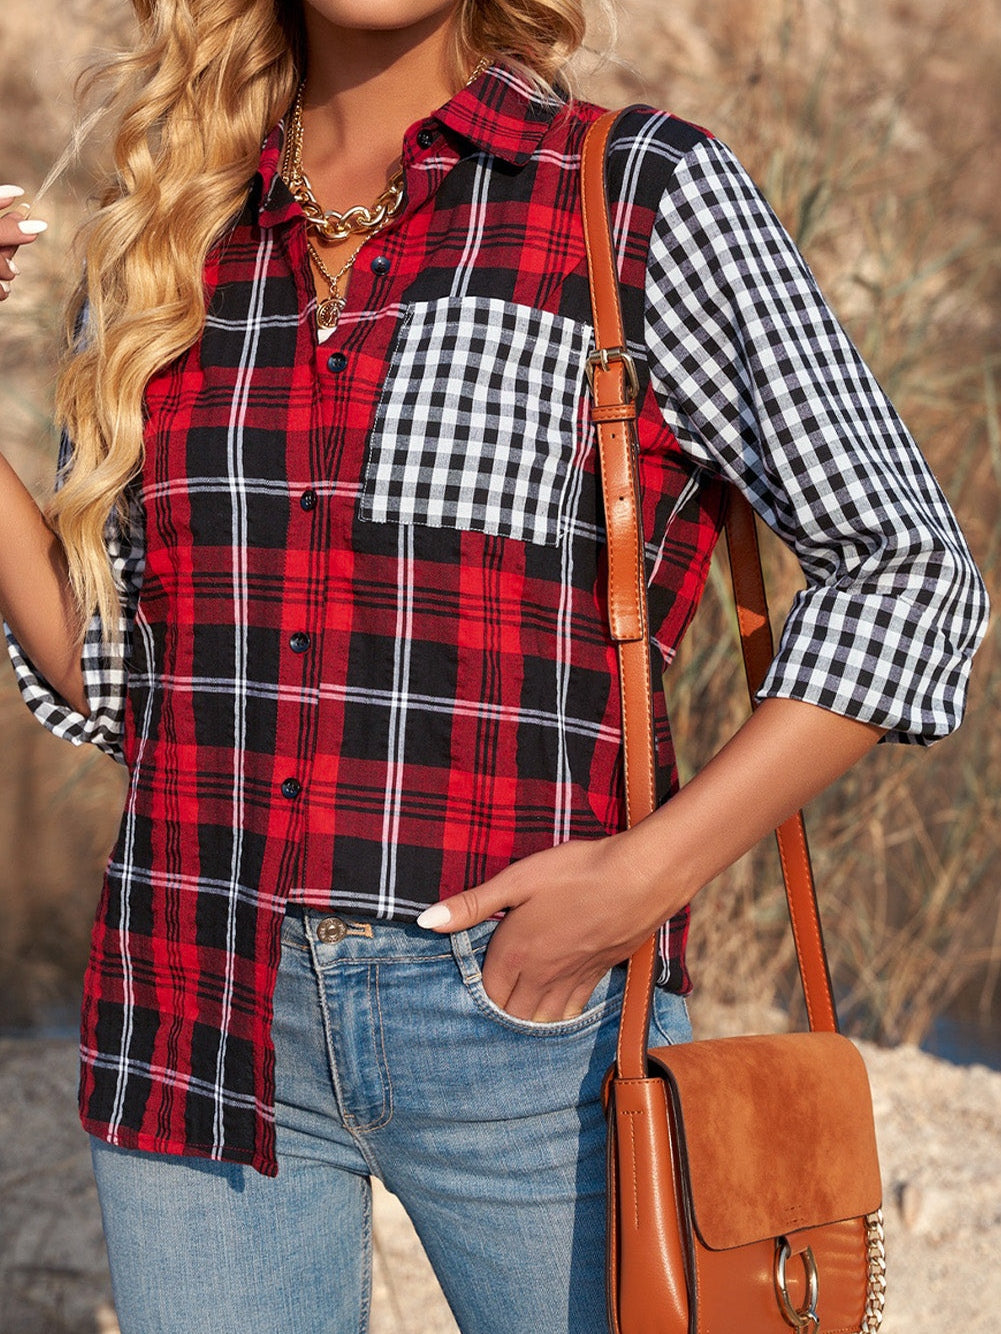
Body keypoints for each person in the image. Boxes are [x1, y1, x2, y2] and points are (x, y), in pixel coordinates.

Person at [0, 0, 988, 1330]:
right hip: (193, 1001)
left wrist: (645, 875)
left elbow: (908, 569)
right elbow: (123, 686)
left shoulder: (631, 191)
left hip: (535, 1021)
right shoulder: (172, 230)